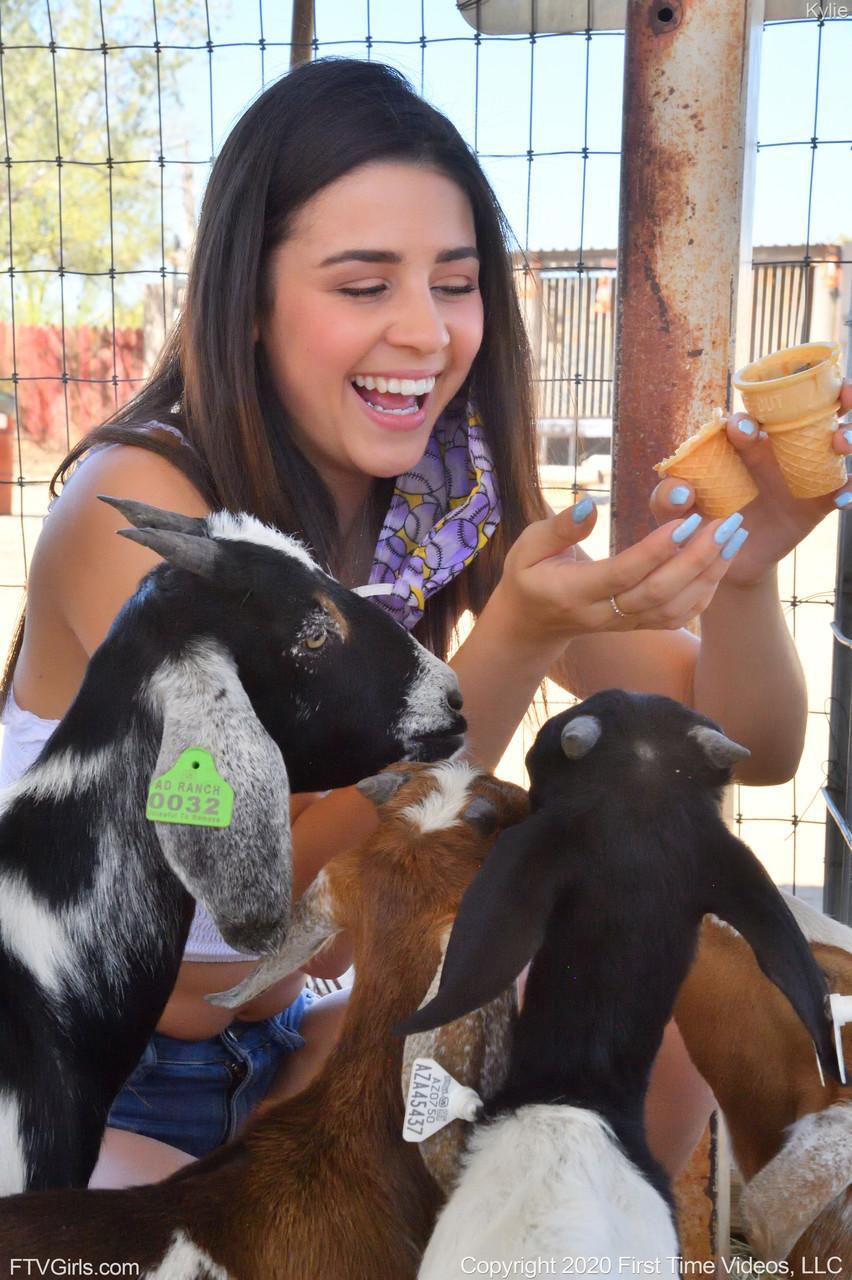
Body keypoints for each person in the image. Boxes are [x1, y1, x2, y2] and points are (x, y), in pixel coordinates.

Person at [2, 57, 850, 1190]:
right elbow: (246, 891)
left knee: (654, 986)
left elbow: (752, 737)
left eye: (455, 282)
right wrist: (508, 644)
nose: (427, 331)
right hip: (68, 1070)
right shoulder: (143, 523)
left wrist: (747, 576)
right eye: (364, 285)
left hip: (304, 1036)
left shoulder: (451, 495)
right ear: (248, 300)